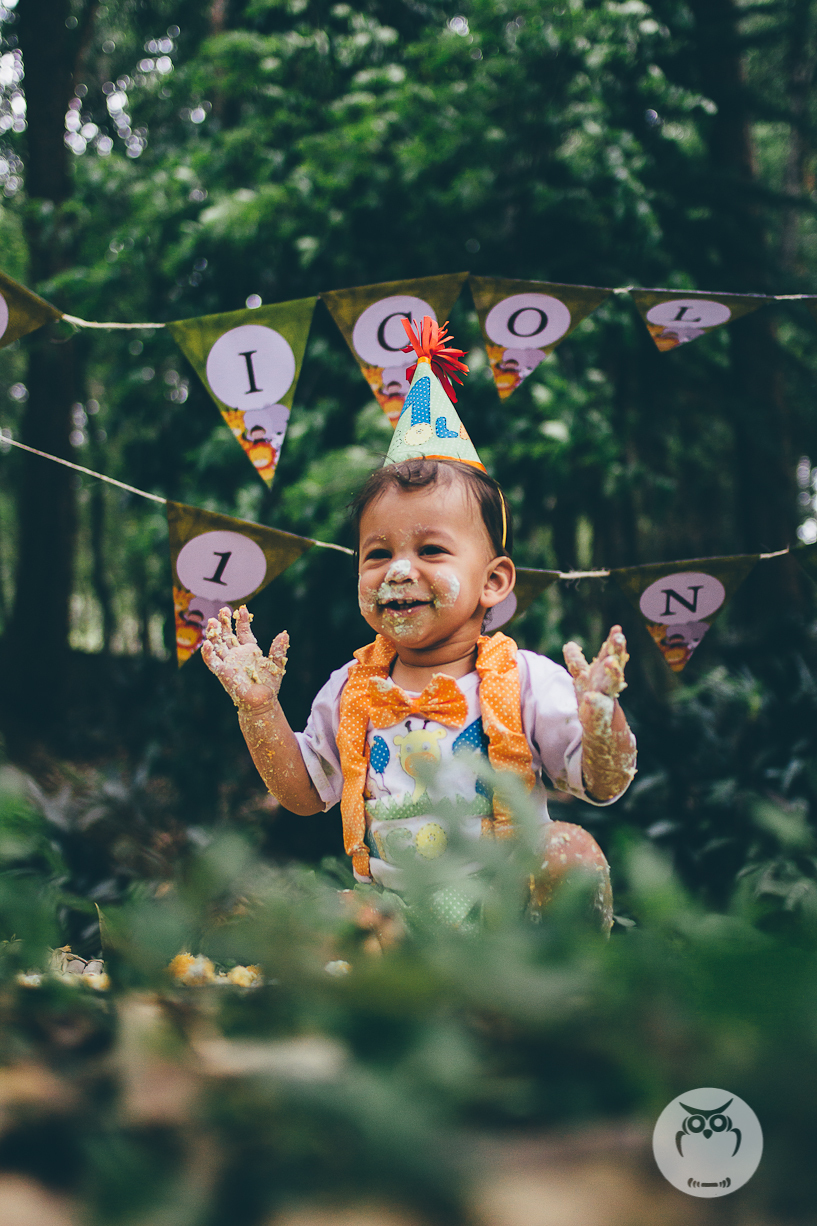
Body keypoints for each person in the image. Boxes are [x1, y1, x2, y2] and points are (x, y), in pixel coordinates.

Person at [202, 318, 636, 929]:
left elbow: (603, 784)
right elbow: (303, 797)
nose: (398, 572)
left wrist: (600, 720)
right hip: (394, 919)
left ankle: (550, 1002)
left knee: (571, 850)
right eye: (377, 554)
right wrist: (258, 708)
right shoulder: (352, 691)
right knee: (297, 915)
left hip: (507, 917)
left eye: (431, 551)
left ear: (495, 581)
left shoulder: (525, 681)